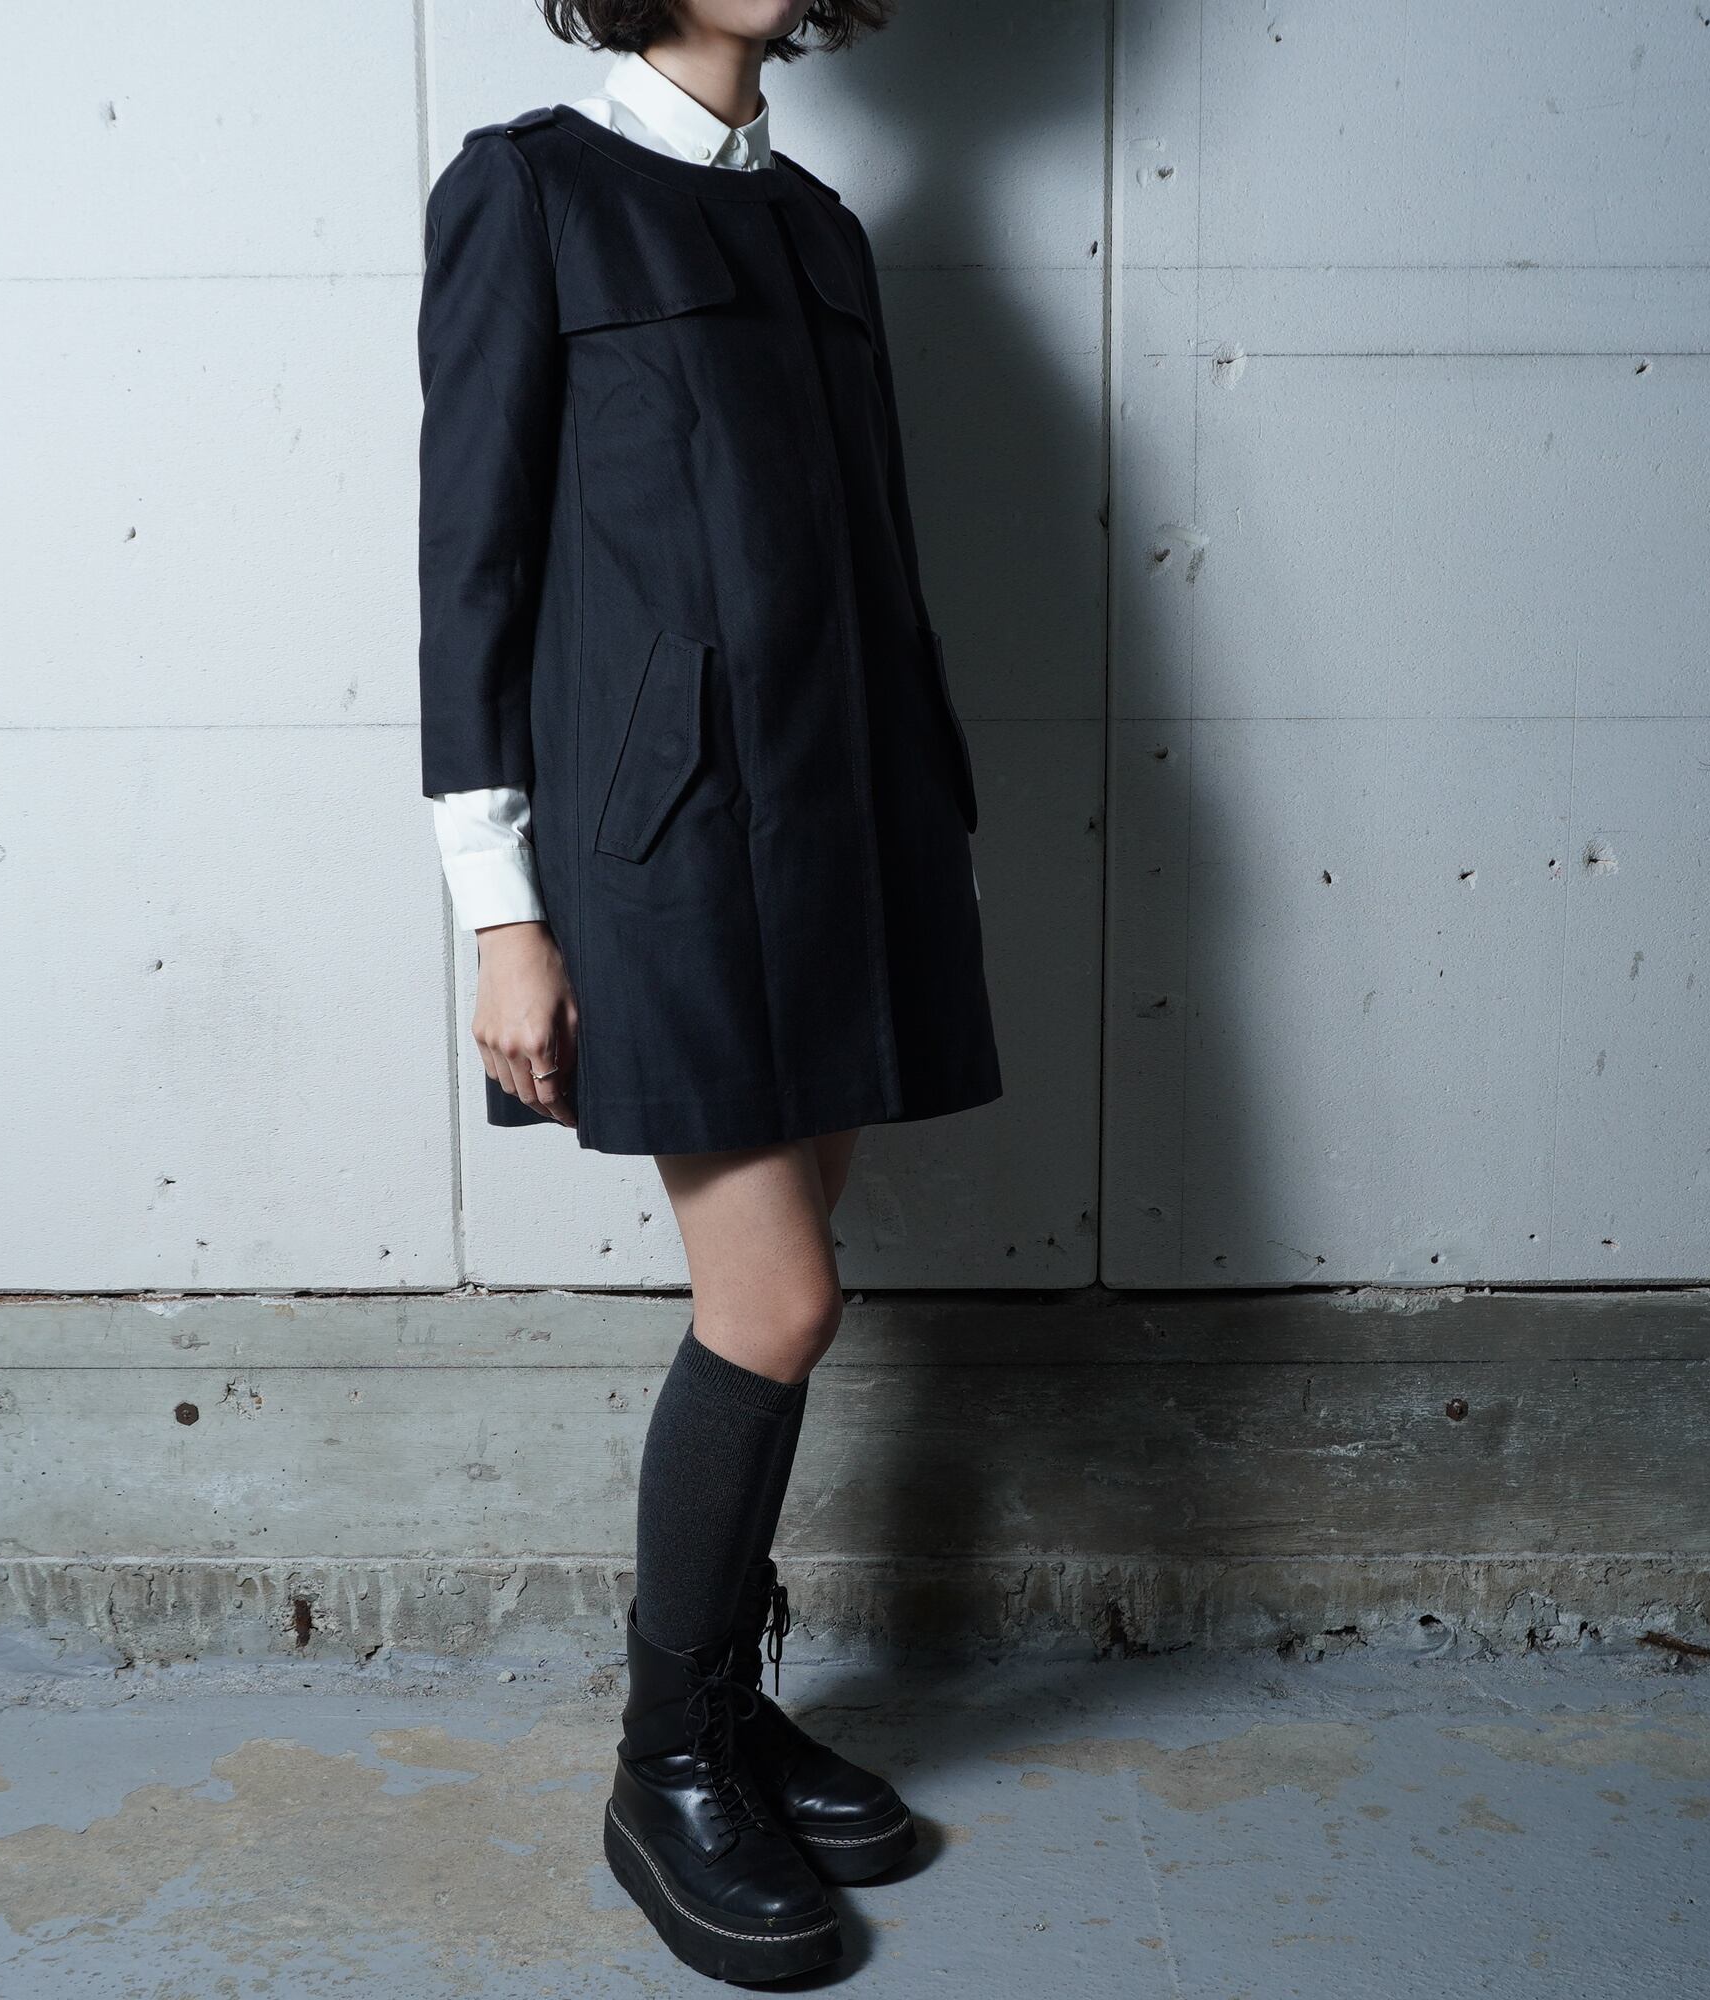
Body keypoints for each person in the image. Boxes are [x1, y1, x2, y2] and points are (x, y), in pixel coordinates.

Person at [416, 0, 1004, 1979]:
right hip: (665, 845)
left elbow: (872, 557)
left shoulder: (817, 223)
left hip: (847, 828)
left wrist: (926, 807)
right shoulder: (531, 191)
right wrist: (501, 912)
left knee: (786, 1307)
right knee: (780, 1301)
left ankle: (726, 1713)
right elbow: (472, 565)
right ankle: (662, 1763)